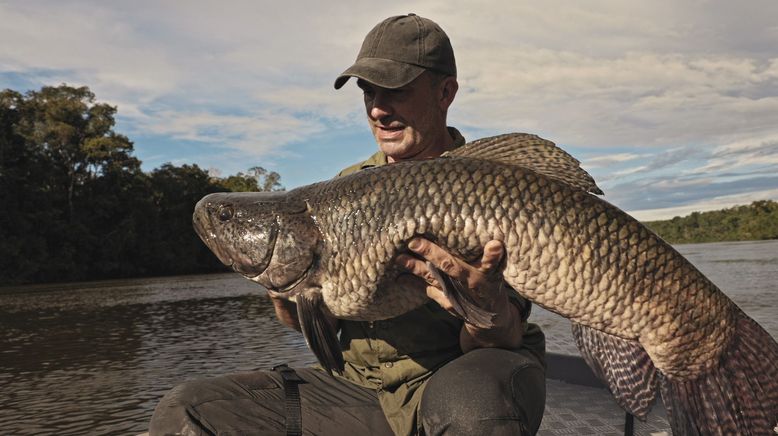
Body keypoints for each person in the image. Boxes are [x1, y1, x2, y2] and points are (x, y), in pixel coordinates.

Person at [150, 14, 546, 436]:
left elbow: (501, 338)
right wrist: (285, 288)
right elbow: (322, 321)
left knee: (471, 403)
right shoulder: (341, 188)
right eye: (368, 91)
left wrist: (484, 308)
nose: (378, 108)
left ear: (445, 91)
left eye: (396, 90)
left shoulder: (496, 186)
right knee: (187, 410)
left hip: (464, 373)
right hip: (361, 391)